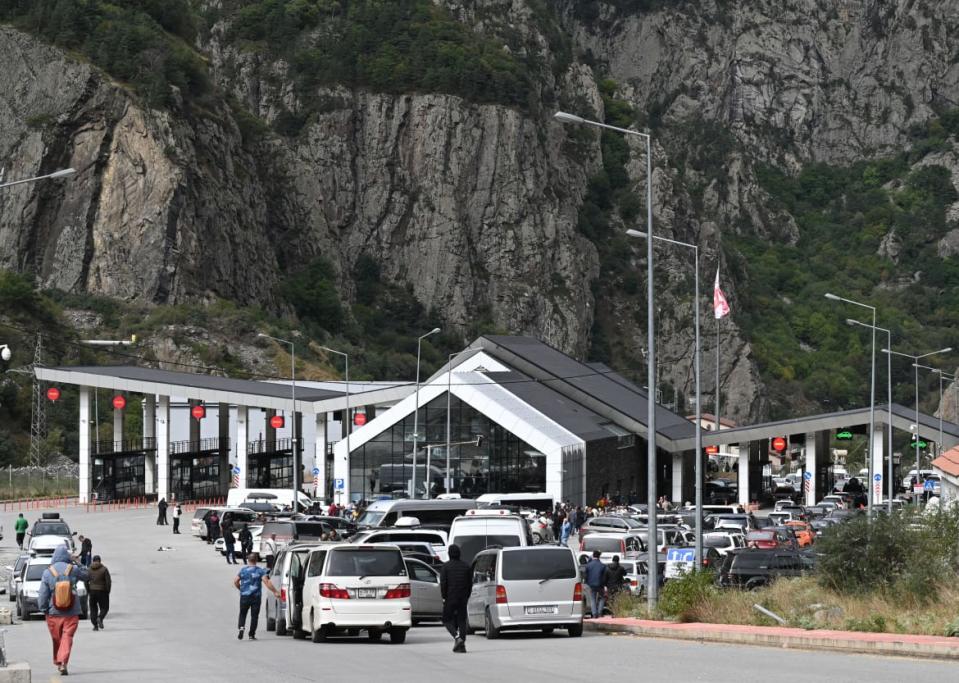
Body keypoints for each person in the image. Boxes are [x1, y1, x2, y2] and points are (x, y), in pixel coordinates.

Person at [38, 545, 89, 676]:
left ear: (54, 556)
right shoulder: (74, 569)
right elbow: (88, 575)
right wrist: (77, 562)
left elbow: (43, 594)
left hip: (53, 612)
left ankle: (59, 661)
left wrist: (43, 608)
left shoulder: (47, 572)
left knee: (57, 639)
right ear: (67, 556)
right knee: (67, 637)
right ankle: (63, 662)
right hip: (72, 611)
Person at [233, 553, 279, 640]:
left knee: (243, 613)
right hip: (256, 597)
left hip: (244, 596)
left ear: (248, 560)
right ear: (256, 560)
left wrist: (241, 589)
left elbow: (235, 581)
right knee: (254, 616)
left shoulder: (243, 570)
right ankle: (251, 634)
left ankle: (241, 627)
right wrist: (275, 591)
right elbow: (267, 582)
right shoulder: (260, 571)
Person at [439, 544, 472, 653]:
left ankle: (457, 638)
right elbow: (469, 584)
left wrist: (444, 597)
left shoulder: (445, 567)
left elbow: (443, 584)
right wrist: (467, 596)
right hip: (463, 598)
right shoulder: (466, 566)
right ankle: (462, 645)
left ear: (449, 554)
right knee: (462, 620)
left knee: (446, 620)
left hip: (450, 597)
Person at [86, 555, 111, 631]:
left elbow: (85, 581)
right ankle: (100, 618)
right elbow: (108, 582)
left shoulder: (89, 569)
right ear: (100, 561)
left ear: (93, 561)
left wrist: (88, 590)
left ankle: (95, 626)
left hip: (92, 591)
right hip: (102, 591)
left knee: (93, 608)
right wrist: (108, 591)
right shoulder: (104, 569)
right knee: (104, 607)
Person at [583, 550, 608, 618]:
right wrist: (604, 584)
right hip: (600, 585)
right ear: (599, 556)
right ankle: (599, 612)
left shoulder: (588, 565)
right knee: (602, 598)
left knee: (593, 599)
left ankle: (594, 614)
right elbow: (605, 576)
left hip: (591, 585)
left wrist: (587, 582)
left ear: (593, 555)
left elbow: (585, 575)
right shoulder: (603, 566)